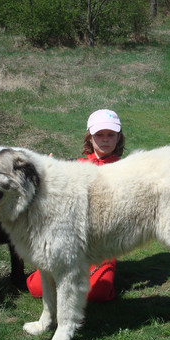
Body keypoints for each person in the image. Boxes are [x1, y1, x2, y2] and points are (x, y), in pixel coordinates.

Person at [26, 109, 125, 303]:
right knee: (36, 288)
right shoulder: (73, 165)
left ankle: (103, 272)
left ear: (118, 137)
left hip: (103, 245)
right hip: (69, 241)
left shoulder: (126, 168)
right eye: (99, 135)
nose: (105, 139)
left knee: (96, 293)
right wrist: (46, 173)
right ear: (90, 137)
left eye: (111, 135)